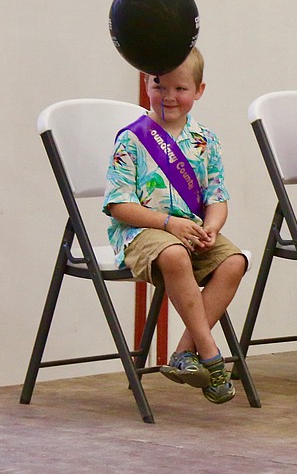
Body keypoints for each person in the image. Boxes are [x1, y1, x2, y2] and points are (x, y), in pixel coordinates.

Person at [104, 48, 246, 404]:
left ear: (199, 90)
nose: (169, 96)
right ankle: (211, 355)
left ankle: (184, 353)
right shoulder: (132, 138)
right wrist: (168, 224)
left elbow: (217, 195)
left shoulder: (206, 141)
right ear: (146, 83)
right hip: (142, 233)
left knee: (234, 262)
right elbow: (118, 204)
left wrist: (212, 227)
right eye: (159, 85)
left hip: (191, 233)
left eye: (180, 89)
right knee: (175, 255)